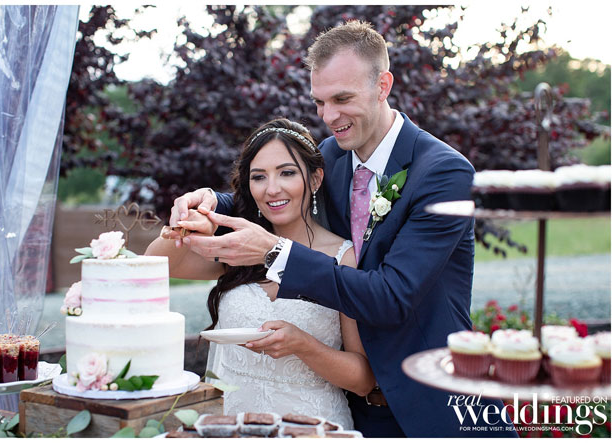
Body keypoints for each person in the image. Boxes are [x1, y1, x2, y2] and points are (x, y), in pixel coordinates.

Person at [170, 21, 517, 438]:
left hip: (431, 406)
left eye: (342, 99)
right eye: (319, 102)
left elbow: (391, 296)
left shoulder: (444, 173)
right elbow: (279, 195)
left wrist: (275, 253)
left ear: (383, 85)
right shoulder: (331, 157)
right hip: (350, 409)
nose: (328, 116)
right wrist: (210, 200)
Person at [146, 118, 375, 430]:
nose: (272, 189)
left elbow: (363, 379)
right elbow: (155, 266)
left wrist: (303, 345)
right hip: (231, 425)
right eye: (259, 177)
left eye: (287, 173)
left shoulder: (343, 257)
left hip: (311, 428)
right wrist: (186, 222)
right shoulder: (237, 248)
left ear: (315, 178)